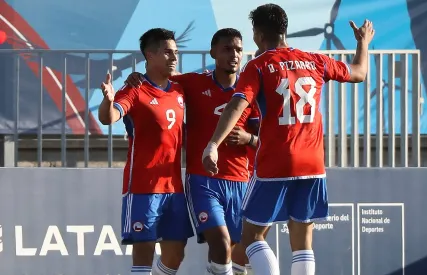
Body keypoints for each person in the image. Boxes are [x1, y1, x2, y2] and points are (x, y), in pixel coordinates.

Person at [202, 4, 375, 275]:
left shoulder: (259, 65)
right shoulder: (315, 60)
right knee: (303, 242)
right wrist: (363, 42)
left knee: (252, 236)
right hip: (313, 163)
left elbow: (238, 104)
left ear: (258, 34)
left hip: (277, 161)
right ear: (285, 29)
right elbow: (359, 73)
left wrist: (213, 144)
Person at [124, 28, 260, 275]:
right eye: (227, 49)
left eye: (239, 49)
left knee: (232, 252)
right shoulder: (193, 83)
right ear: (213, 53)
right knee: (219, 243)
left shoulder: (250, 91)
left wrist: (249, 138)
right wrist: (135, 77)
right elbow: (156, 80)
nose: (234, 54)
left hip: (241, 180)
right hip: (203, 180)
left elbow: (268, 141)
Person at [98, 28, 194, 275]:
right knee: (143, 256)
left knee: (176, 253)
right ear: (149, 55)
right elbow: (109, 117)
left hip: (173, 187)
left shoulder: (180, 88)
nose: (174, 57)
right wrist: (108, 100)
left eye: (176, 52)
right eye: (167, 52)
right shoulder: (135, 89)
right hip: (143, 186)